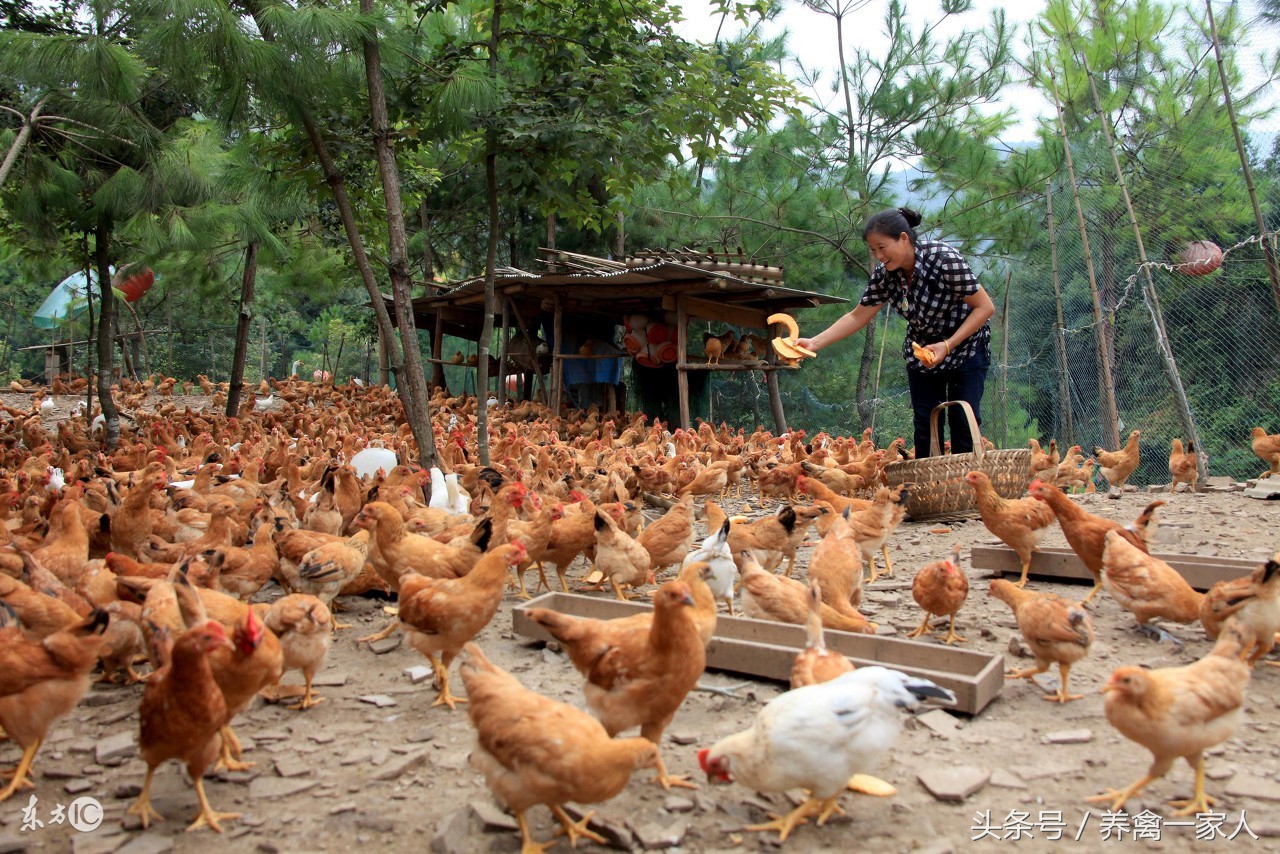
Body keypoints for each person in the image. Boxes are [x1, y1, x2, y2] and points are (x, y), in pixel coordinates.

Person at [795, 207, 995, 457]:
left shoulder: (943, 259)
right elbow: (858, 315)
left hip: (965, 345)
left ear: (903, 238)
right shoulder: (885, 275)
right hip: (922, 351)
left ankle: (965, 488)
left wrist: (948, 344)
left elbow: (985, 307)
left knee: (962, 419)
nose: (879, 255)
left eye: (882, 247)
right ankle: (927, 486)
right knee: (926, 421)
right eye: (873, 250)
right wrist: (814, 343)